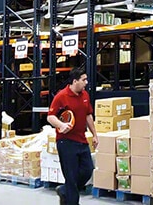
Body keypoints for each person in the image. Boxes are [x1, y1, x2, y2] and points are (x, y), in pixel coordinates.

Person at [47, 67, 98, 205]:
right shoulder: (61, 96)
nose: (86, 82)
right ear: (75, 81)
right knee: (71, 177)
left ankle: (64, 190)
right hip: (66, 142)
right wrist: (61, 125)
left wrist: (94, 134)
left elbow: (88, 115)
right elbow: (50, 117)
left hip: (81, 140)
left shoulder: (85, 95)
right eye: (84, 80)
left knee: (87, 170)